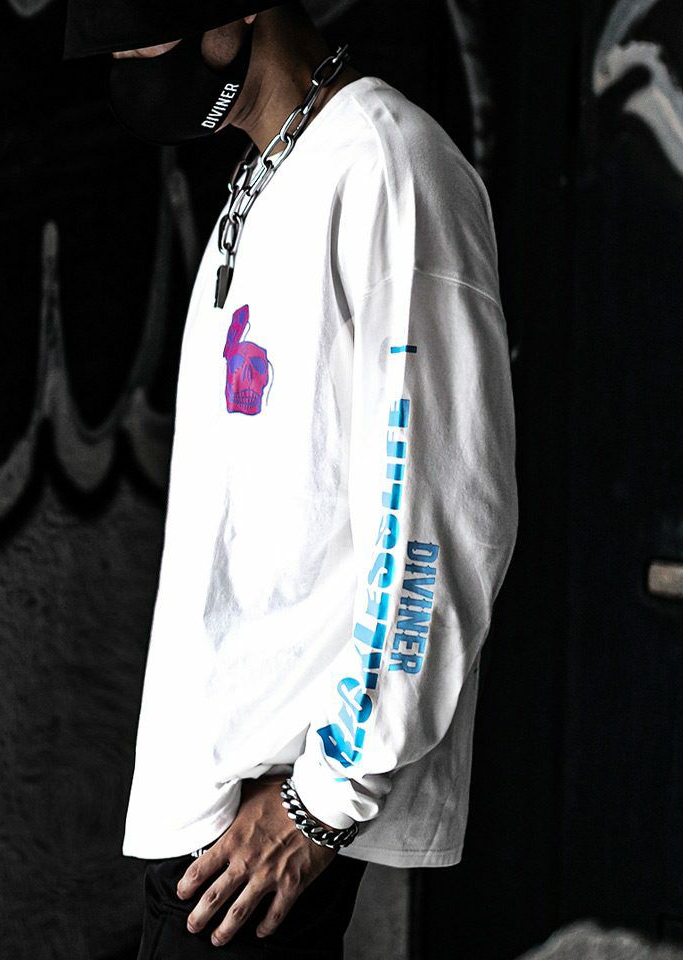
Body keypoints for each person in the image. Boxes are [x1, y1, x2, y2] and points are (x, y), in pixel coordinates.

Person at [62, 2, 519, 956]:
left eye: (140, 37)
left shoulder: (387, 166)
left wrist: (320, 804)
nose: (128, 65)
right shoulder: (269, 174)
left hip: (269, 819)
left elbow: (440, 520)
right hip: (211, 802)